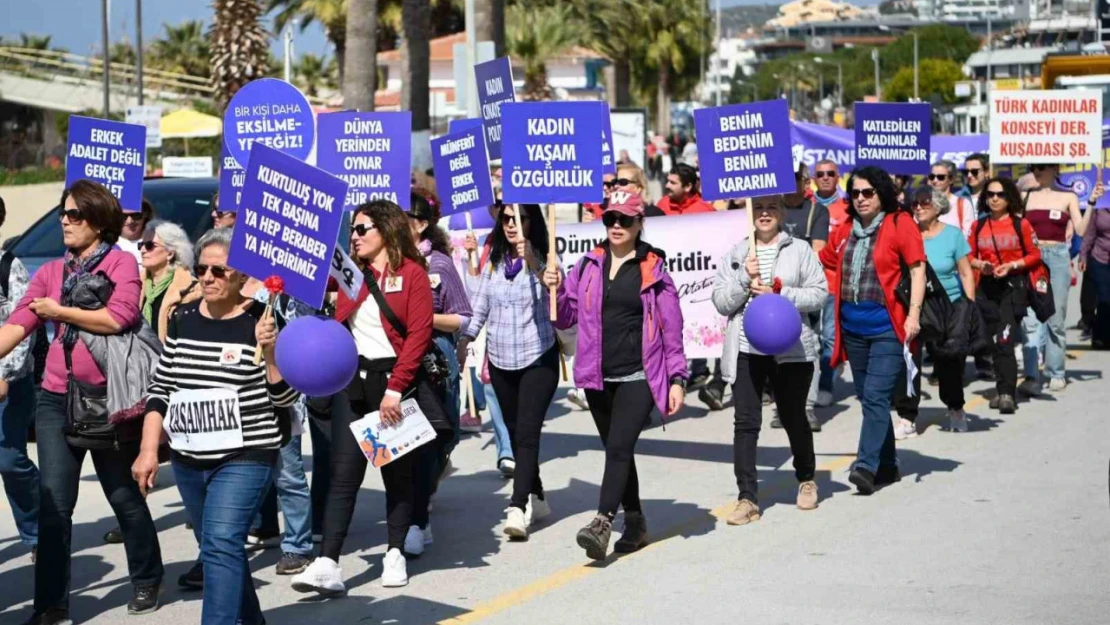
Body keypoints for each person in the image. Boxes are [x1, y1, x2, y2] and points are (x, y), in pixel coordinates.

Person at [0, 180, 164, 624]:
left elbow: (119, 317)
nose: (64, 221)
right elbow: (18, 322)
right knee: (55, 504)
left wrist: (60, 312)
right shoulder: (51, 273)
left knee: (123, 496)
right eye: (63, 213)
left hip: (109, 400)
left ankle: (147, 574)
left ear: (97, 221)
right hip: (55, 399)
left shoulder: (121, 264)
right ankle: (51, 605)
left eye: (74, 215)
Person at [131, 227, 298, 625]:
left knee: (222, 542)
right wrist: (149, 448)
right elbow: (162, 386)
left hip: (246, 456)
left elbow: (286, 400)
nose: (207, 277)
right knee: (219, 547)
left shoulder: (265, 321)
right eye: (203, 269)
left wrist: (272, 352)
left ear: (242, 276)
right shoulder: (184, 317)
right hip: (189, 460)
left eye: (218, 271)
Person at [292, 200, 439, 593]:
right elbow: (305, 275)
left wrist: (395, 388)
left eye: (361, 229)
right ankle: (328, 562)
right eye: (352, 230)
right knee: (343, 475)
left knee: (396, 473)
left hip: (394, 382)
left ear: (386, 231)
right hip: (351, 382)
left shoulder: (413, 276)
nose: (353, 237)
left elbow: (418, 337)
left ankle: (394, 553)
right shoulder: (349, 273)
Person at [545, 192, 688, 559]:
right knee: (617, 452)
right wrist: (556, 289)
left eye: (624, 220)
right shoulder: (589, 264)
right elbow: (565, 317)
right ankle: (636, 520)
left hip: (640, 374)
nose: (616, 226)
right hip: (597, 376)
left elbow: (672, 331)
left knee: (621, 447)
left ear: (640, 223)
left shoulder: (654, 271)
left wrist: (677, 378)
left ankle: (603, 521)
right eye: (611, 219)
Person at [712, 194, 827, 524]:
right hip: (748, 349)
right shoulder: (737, 252)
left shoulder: (800, 250)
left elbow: (819, 293)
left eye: (771, 208)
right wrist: (741, 280)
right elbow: (721, 302)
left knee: (793, 416)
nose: (764, 214)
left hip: (790, 350)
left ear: (782, 213)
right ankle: (747, 497)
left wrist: (781, 293)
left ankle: (806, 479)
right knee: (745, 423)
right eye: (758, 208)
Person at [820, 166, 926, 495]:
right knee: (869, 399)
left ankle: (865, 465)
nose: (861, 199)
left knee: (878, 396)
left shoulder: (899, 223)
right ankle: (890, 464)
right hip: (852, 328)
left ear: (881, 193)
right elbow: (821, 259)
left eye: (868, 192)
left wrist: (913, 315)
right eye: (855, 193)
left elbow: (917, 270)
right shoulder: (846, 229)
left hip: (886, 327)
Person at [457, 203, 559, 539]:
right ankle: (538, 495)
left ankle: (517, 507)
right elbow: (481, 305)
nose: (512, 224)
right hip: (500, 360)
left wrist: (534, 261)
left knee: (528, 434)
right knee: (515, 434)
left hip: (537, 358)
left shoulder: (547, 257)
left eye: (520, 218)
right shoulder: (496, 261)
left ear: (533, 221)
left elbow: (558, 295)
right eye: (506, 219)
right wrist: (466, 339)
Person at [405, 189, 472, 555]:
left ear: (423, 224)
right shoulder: (389, 263)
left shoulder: (440, 265)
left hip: (435, 359)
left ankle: (424, 497)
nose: (399, 222)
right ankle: (415, 519)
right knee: (406, 442)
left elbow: (463, 316)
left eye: (407, 217)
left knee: (439, 436)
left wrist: (423, 318)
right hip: (400, 363)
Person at [892, 189, 976, 438]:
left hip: (948, 305)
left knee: (948, 362)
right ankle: (907, 417)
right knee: (909, 361)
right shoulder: (908, 234)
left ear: (938, 207)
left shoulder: (952, 235)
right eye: (915, 203)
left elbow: (965, 273)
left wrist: (968, 308)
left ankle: (956, 408)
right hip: (914, 305)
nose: (918, 207)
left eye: (924, 203)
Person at [1019, 163, 1100, 394]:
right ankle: (1031, 375)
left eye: (1042, 167)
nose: (1036, 171)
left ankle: (1056, 372)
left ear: (1054, 169)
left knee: (1055, 318)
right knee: (1030, 320)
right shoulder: (1024, 196)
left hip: (1057, 257)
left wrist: (1091, 202)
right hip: (1032, 257)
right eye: (1033, 167)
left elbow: (1082, 230)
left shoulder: (1068, 196)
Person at [969, 177, 1043, 414]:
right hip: (986, 289)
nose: (994, 198)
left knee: (1005, 339)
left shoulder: (1021, 225)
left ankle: (1006, 394)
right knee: (993, 342)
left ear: (1009, 197)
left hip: (1013, 288)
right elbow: (967, 256)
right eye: (990, 194)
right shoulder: (978, 226)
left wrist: (1012, 266)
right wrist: (981, 265)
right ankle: (1002, 388)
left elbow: (1035, 255)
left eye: (1000, 194)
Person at [0, 192, 39, 563]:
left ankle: (39, 531)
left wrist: (5, 376)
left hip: (9, 383)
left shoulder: (10, 267)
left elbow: (22, 326)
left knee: (9, 460)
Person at [813, 160, 848, 408]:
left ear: (838, 177)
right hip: (807, 285)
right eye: (820, 174)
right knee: (809, 339)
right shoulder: (806, 205)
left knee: (829, 337)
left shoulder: (847, 208)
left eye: (830, 174)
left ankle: (826, 384)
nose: (825, 177)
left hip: (835, 284)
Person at [139, 221, 197, 341]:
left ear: (170, 253)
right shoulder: (136, 282)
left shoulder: (191, 289)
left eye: (150, 245)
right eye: (141, 245)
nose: (143, 250)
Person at [1079, 199, 1110, 348]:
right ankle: (1099, 336)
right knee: (1104, 298)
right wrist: (1083, 255)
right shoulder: (1100, 208)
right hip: (1100, 258)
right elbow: (1089, 234)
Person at [929, 160, 976, 236]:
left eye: (940, 177)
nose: (935, 180)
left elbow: (968, 236)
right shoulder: (922, 204)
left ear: (951, 180)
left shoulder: (963, 204)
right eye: (932, 176)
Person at [116, 197, 155, 265]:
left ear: (145, 215)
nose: (130, 221)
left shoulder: (157, 243)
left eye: (136, 215)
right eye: (123, 216)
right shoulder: (107, 243)